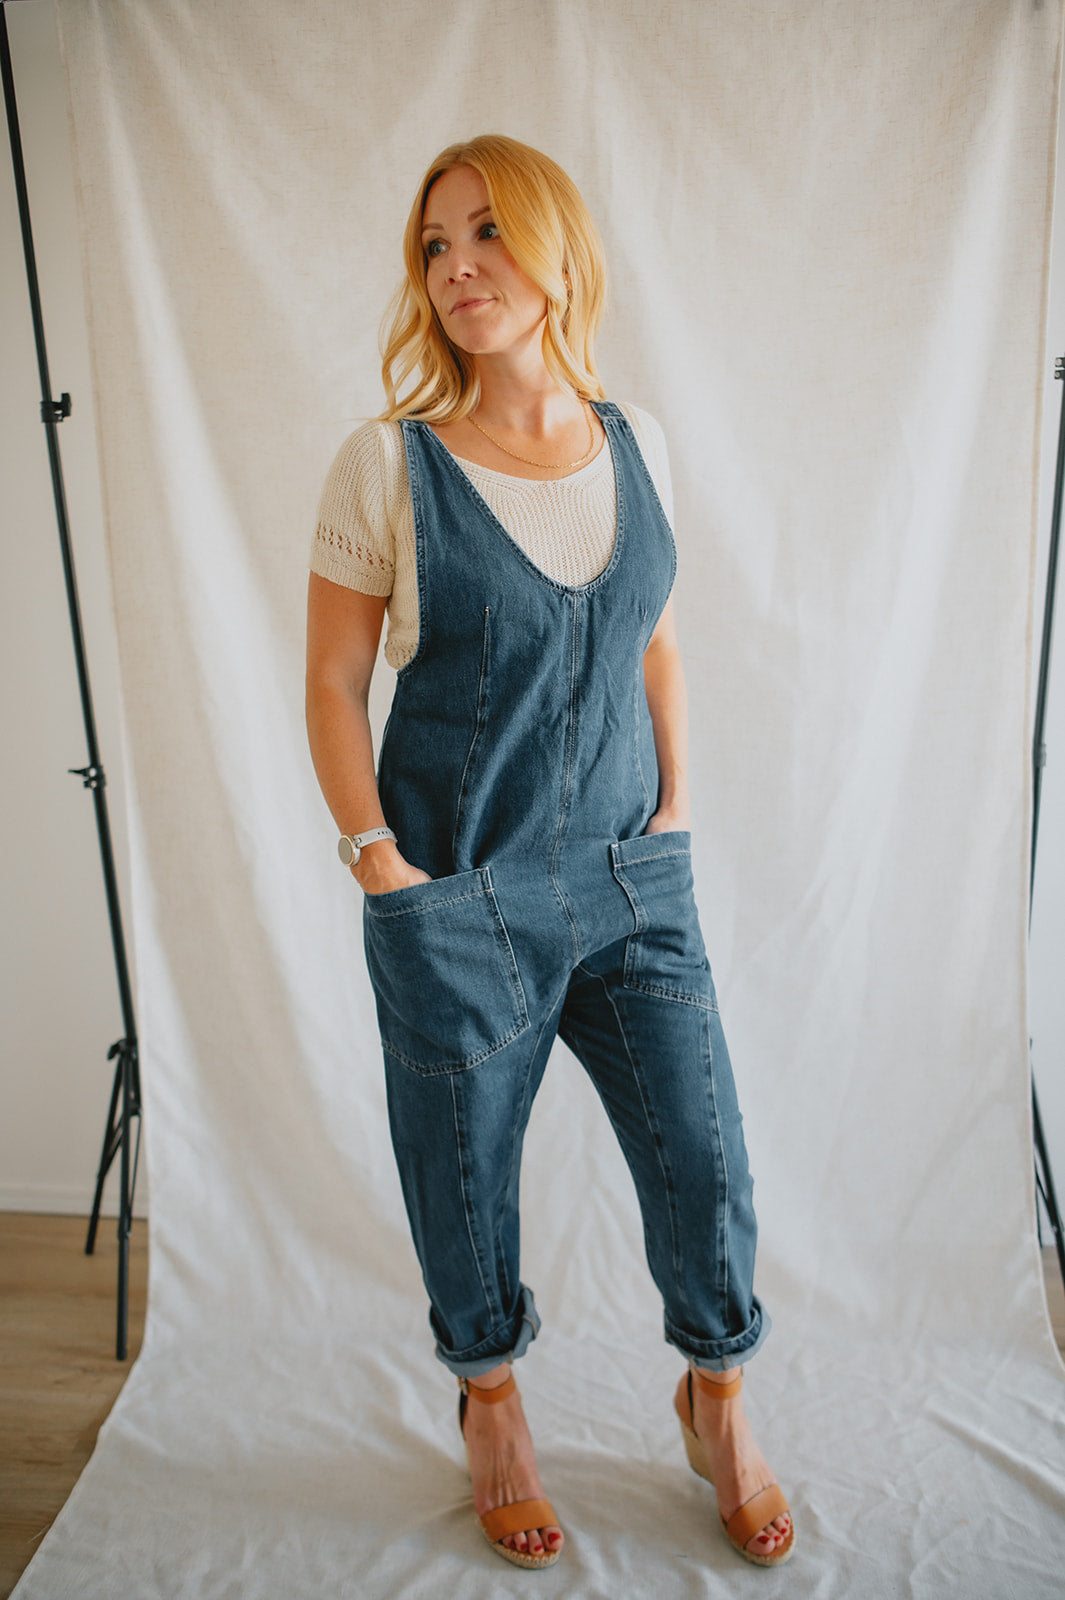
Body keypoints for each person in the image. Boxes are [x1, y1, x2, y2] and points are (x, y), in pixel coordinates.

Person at [305, 134, 794, 1572]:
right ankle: (494, 1410)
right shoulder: (387, 464)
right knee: (462, 1177)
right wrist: (378, 861)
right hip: (458, 894)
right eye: (434, 246)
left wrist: (678, 807)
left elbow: (654, 641)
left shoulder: (635, 442)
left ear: (557, 252)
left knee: (703, 1156)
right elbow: (333, 681)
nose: (458, 268)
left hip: (635, 881)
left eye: (487, 234)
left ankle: (717, 1401)